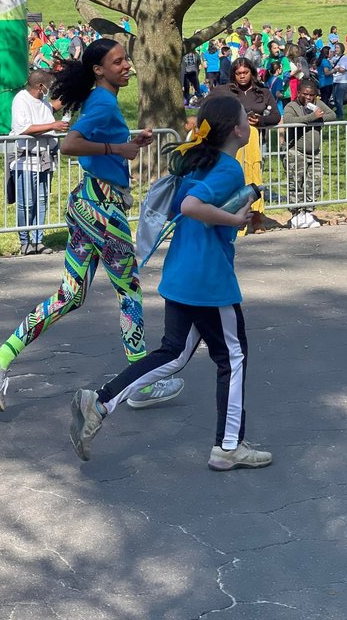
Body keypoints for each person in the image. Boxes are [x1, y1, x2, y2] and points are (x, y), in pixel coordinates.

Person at [0, 39, 184, 412]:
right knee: (130, 292)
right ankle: (139, 384)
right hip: (103, 211)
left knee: (69, 295)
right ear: (98, 70)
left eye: (126, 60)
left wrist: (129, 141)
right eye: (118, 61)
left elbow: (97, 140)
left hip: (87, 204)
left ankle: (0, 356)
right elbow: (71, 144)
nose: (127, 66)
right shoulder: (102, 101)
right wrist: (117, 150)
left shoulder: (100, 101)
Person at [69, 90, 273, 471]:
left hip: (181, 273)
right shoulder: (229, 168)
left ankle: (99, 402)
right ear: (235, 130)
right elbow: (190, 207)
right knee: (233, 356)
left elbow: (189, 202)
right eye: (246, 117)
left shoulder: (197, 162)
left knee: (174, 353)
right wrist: (235, 220)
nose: (251, 121)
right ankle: (228, 447)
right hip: (209, 280)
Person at [10, 71, 69, 255]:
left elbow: (52, 107)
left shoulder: (42, 101)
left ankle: (37, 240)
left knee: (41, 201)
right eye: (48, 86)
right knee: (26, 203)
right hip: (26, 159)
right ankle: (24, 241)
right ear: (40, 86)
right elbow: (24, 128)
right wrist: (53, 126)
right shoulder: (21, 99)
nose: (49, 90)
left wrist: (75, 94)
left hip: (44, 158)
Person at [226, 58, 281, 233]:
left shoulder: (263, 92)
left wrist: (260, 120)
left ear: (252, 73)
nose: (242, 76)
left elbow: (276, 116)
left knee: (255, 177)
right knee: (236, 178)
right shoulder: (228, 92)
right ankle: (237, 217)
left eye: (245, 72)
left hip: (256, 141)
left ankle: (257, 217)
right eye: (238, 73)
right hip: (233, 142)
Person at [283, 81, 337, 229]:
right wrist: (311, 118)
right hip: (296, 151)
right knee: (296, 183)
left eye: (311, 95)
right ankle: (296, 214)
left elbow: (332, 115)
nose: (308, 97)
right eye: (305, 94)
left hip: (315, 153)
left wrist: (318, 117)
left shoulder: (317, 104)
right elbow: (288, 120)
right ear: (298, 93)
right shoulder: (292, 106)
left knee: (314, 183)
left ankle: (308, 212)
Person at [330, 42, 347, 119]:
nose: (336, 49)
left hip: (342, 81)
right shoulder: (334, 58)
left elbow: (343, 70)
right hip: (335, 80)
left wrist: (335, 69)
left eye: (337, 48)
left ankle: (340, 114)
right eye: (335, 48)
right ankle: (338, 112)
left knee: (339, 98)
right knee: (335, 98)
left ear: (342, 49)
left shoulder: (344, 58)